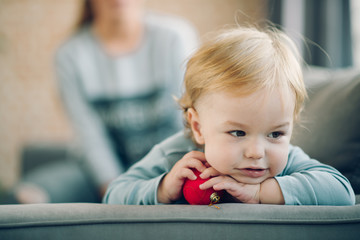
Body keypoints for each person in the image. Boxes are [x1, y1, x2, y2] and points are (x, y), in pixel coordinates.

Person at [103, 26, 355, 205]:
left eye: (276, 134)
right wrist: (163, 188)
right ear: (199, 127)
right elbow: (113, 194)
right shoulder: (177, 157)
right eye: (238, 132)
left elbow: (341, 191)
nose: (257, 152)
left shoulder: (287, 161)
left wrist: (261, 192)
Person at [7, 0, 198, 204]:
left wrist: (162, 180)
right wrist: (116, 192)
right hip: (98, 175)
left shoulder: (174, 37)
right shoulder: (70, 54)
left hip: (166, 164)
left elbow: (184, 120)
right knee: (26, 196)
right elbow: (90, 136)